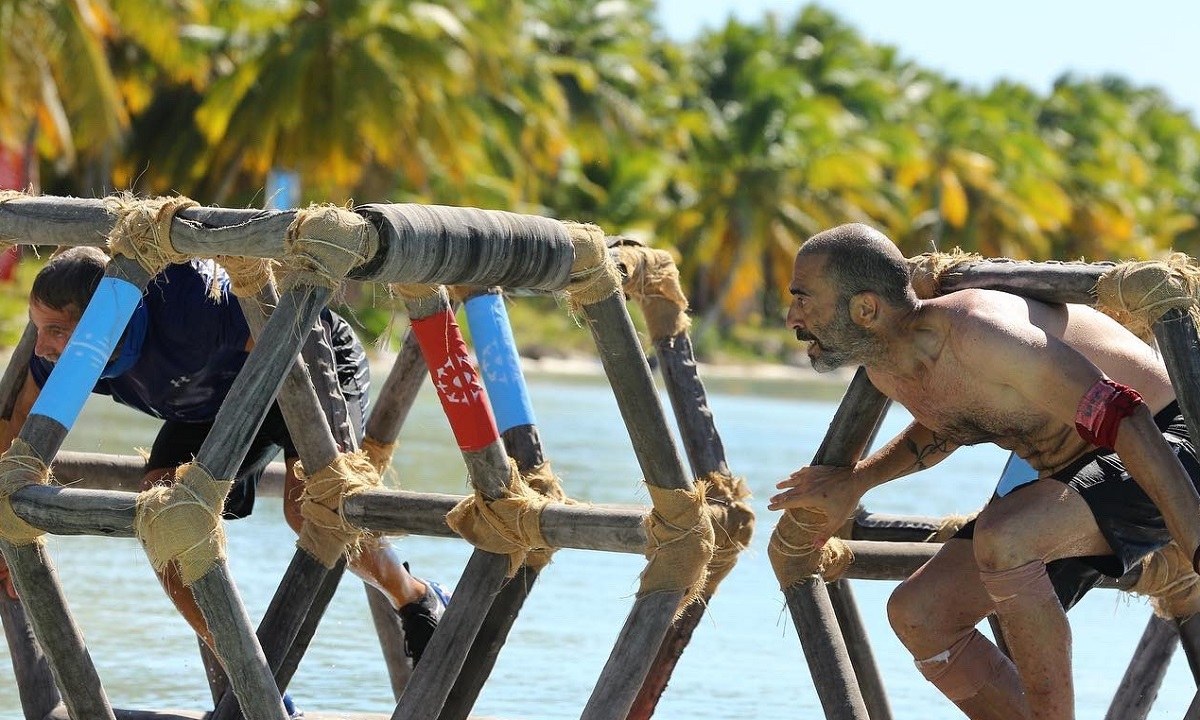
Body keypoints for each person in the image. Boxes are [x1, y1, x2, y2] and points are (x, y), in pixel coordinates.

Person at [767, 223, 1200, 720]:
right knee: (920, 614)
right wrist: (857, 481)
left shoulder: (982, 332)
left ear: (866, 309)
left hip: (1170, 439)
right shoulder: (887, 366)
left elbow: (1126, 417)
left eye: (803, 299)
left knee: (1007, 538)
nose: (792, 317)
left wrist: (1195, 540)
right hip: (1075, 469)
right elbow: (946, 426)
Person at [0, 247, 450, 674]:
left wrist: (333, 469)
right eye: (39, 329)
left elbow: (294, 337)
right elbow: (19, 439)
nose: (41, 348)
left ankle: (415, 597)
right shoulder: (57, 361)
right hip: (209, 404)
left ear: (106, 319)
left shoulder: (189, 303)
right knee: (164, 511)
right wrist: (5, 536)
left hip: (309, 362)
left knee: (311, 511)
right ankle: (248, 675)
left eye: (56, 330)